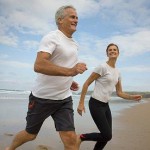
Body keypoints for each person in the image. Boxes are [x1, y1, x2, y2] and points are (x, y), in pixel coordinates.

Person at [6, 5, 87, 150]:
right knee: (30, 134)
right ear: (60, 20)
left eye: (77, 17)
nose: (76, 20)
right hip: (42, 98)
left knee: (70, 140)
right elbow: (39, 65)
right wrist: (70, 72)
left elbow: (62, 65)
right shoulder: (52, 37)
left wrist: (69, 81)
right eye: (72, 17)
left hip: (64, 99)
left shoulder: (75, 44)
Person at [77, 43, 142, 150]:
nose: (112, 51)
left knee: (105, 137)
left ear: (118, 53)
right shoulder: (102, 67)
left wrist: (132, 97)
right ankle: (81, 137)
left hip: (105, 106)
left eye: (114, 50)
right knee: (107, 135)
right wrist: (81, 103)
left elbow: (119, 92)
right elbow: (86, 83)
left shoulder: (117, 72)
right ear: (107, 53)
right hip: (95, 104)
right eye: (110, 50)